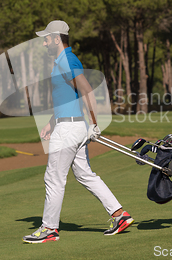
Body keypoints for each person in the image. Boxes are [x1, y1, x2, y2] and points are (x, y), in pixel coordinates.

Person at [22, 20, 133, 244]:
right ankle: (119, 215)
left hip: (70, 129)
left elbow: (86, 89)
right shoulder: (61, 61)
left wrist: (94, 122)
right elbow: (69, 97)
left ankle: (49, 229)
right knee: (84, 174)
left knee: (53, 178)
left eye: (46, 38)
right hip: (71, 125)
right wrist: (51, 123)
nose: (43, 42)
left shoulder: (67, 59)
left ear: (56, 39)